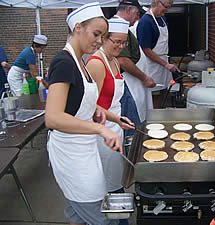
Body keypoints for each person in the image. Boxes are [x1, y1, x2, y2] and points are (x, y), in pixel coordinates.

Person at [45, 3, 121, 225]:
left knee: (78, 214)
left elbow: (81, 101)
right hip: (71, 153)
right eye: (96, 34)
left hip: (85, 149)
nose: (99, 41)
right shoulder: (63, 62)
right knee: (101, 218)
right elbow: (53, 117)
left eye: (102, 35)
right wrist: (100, 128)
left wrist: (106, 115)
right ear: (78, 27)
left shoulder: (81, 63)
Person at [86, 17, 134, 194]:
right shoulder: (96, 64)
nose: (121, 47)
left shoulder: (114, 60)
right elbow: (91, 107)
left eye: (124, 42)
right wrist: (115, 119)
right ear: (104, 38)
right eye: (117, 42)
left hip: (116, 126)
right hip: (102, 131)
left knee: (115, 175)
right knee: (108, 180)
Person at [115, 0, 156, 131]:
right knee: (131, 123)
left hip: (132, 82)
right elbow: (123, 61)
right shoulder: (118, 27)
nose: (138, 18)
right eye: (137, 14)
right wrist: (144, 78)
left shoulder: (124, 27)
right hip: (127, 82)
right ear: (128, 10)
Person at [137, 0, 179, 108]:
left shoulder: (162, 18)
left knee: (163, 91)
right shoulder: (146, 22)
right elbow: (146, 49)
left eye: (168, 7)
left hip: (163, 62)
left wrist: (167, 62)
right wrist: (165, 64)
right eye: (165, 6)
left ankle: (160, 112)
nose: (166, 10)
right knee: (153, 94)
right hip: (151, 65)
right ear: (156, 2)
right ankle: (153, 118)